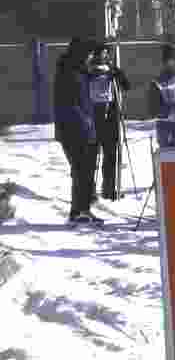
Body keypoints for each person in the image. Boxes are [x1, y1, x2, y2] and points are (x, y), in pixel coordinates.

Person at [54, 38, 102, 225]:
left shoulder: (76, 70)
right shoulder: (69, 73)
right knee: (81, 170)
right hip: (73, 129)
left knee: (84, 171)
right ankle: (79, 211)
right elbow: (69, 104)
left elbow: (88, 76)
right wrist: (86, 122)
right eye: (89, 54)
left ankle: (81, 210)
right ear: (80, 53)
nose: (91, 57)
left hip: (81, 128)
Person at [84, 43, 131, 201]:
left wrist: (119, 74)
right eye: (100, 55)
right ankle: (88, 191)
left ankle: (109, 188)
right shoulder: (87, 71)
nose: (103, 58)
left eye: (106, 54)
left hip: (110, 114)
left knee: (111, 154)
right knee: (91, 156)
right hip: (94, 115)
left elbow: (127, 86)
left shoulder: (112, 70)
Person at [148, 44, 175, 148]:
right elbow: (153, 108)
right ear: (167, 62)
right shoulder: (157, 82)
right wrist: (170, 110)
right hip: (166, 126)